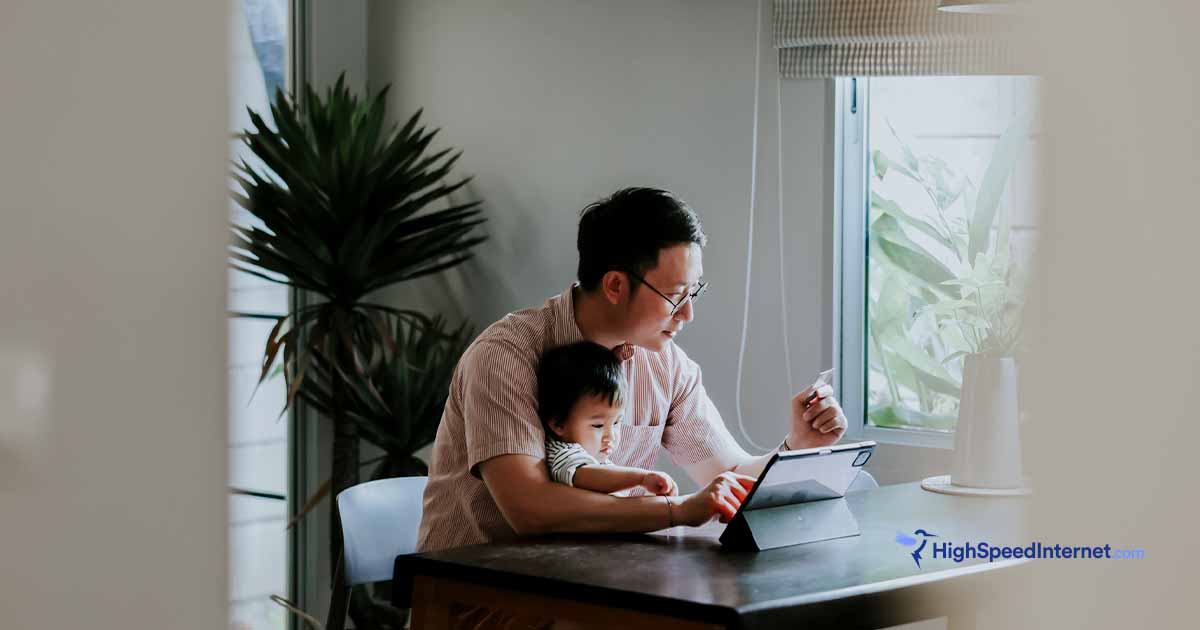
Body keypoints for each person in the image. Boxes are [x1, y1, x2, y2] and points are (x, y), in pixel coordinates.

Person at [417, 187, 848, 553]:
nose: (688, 314)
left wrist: (798, 447)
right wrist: (674, 510)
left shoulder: (666, 364)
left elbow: (727, 476)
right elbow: (530, 509)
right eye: (677, 295)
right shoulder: (505, 356)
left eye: (694, 291)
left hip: (600, 585)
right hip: (483, 599)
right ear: (616, 285)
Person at [537, 341, 679, 497]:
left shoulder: (594, 455)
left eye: (617, 422)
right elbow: (587, 475)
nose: (611, 436)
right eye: (598, 425)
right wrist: (641, 478)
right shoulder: (563, 452)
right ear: (558, 423)